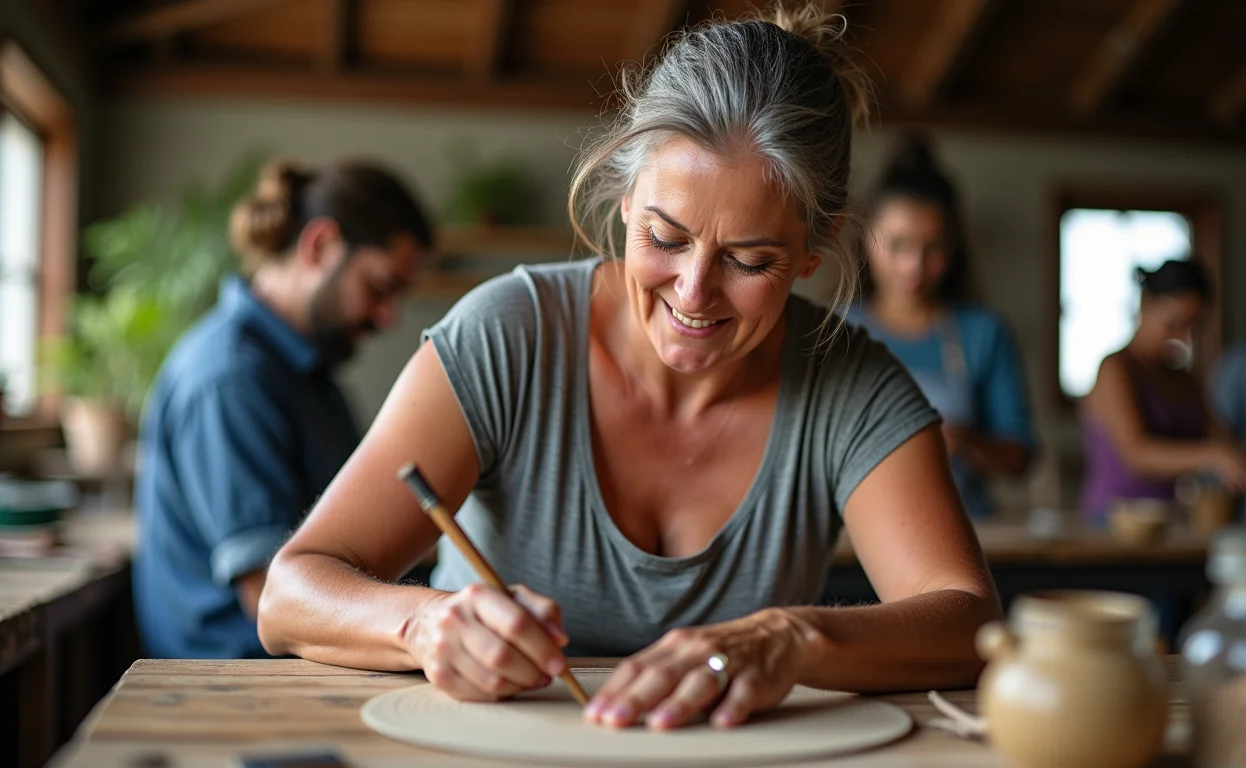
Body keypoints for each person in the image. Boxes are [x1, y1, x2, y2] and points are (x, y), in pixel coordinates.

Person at [258, 5, 1000, 732]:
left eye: (749, 260)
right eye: (664, 236)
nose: (693, 292)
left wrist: (791, 637)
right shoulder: (507, 336)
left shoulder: (854, 387)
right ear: (625, 194)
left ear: (816, 248)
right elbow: (291, 593)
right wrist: (423, 623)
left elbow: (968, 620)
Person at [133, 159, 433, 659]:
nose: (388, 316)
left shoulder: (306, 373)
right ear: (319, 246)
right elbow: (270, 595)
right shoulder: (231, 380)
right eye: (379, 288)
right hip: (238, 679)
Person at [848, 135, 1035, 519]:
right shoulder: (836, 330)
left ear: (952, 249)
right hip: (858, 531)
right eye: (897, 245)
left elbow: (1020, 457)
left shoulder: (983, 333)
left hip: (967, 527)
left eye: (931, 248)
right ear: (867, 239)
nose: (913, 266)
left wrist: (964, 442)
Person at [1080, 259, 1246, 522]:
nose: (1184, 337)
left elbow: (1221, 436)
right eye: (1175, 323)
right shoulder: (1116, 369)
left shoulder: (1183, 379)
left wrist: (1232, 456)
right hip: (1115, 523)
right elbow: (1136, 454)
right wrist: (1215, 456)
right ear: (1147, 306)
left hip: (1170, 522)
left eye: (1194, 328)